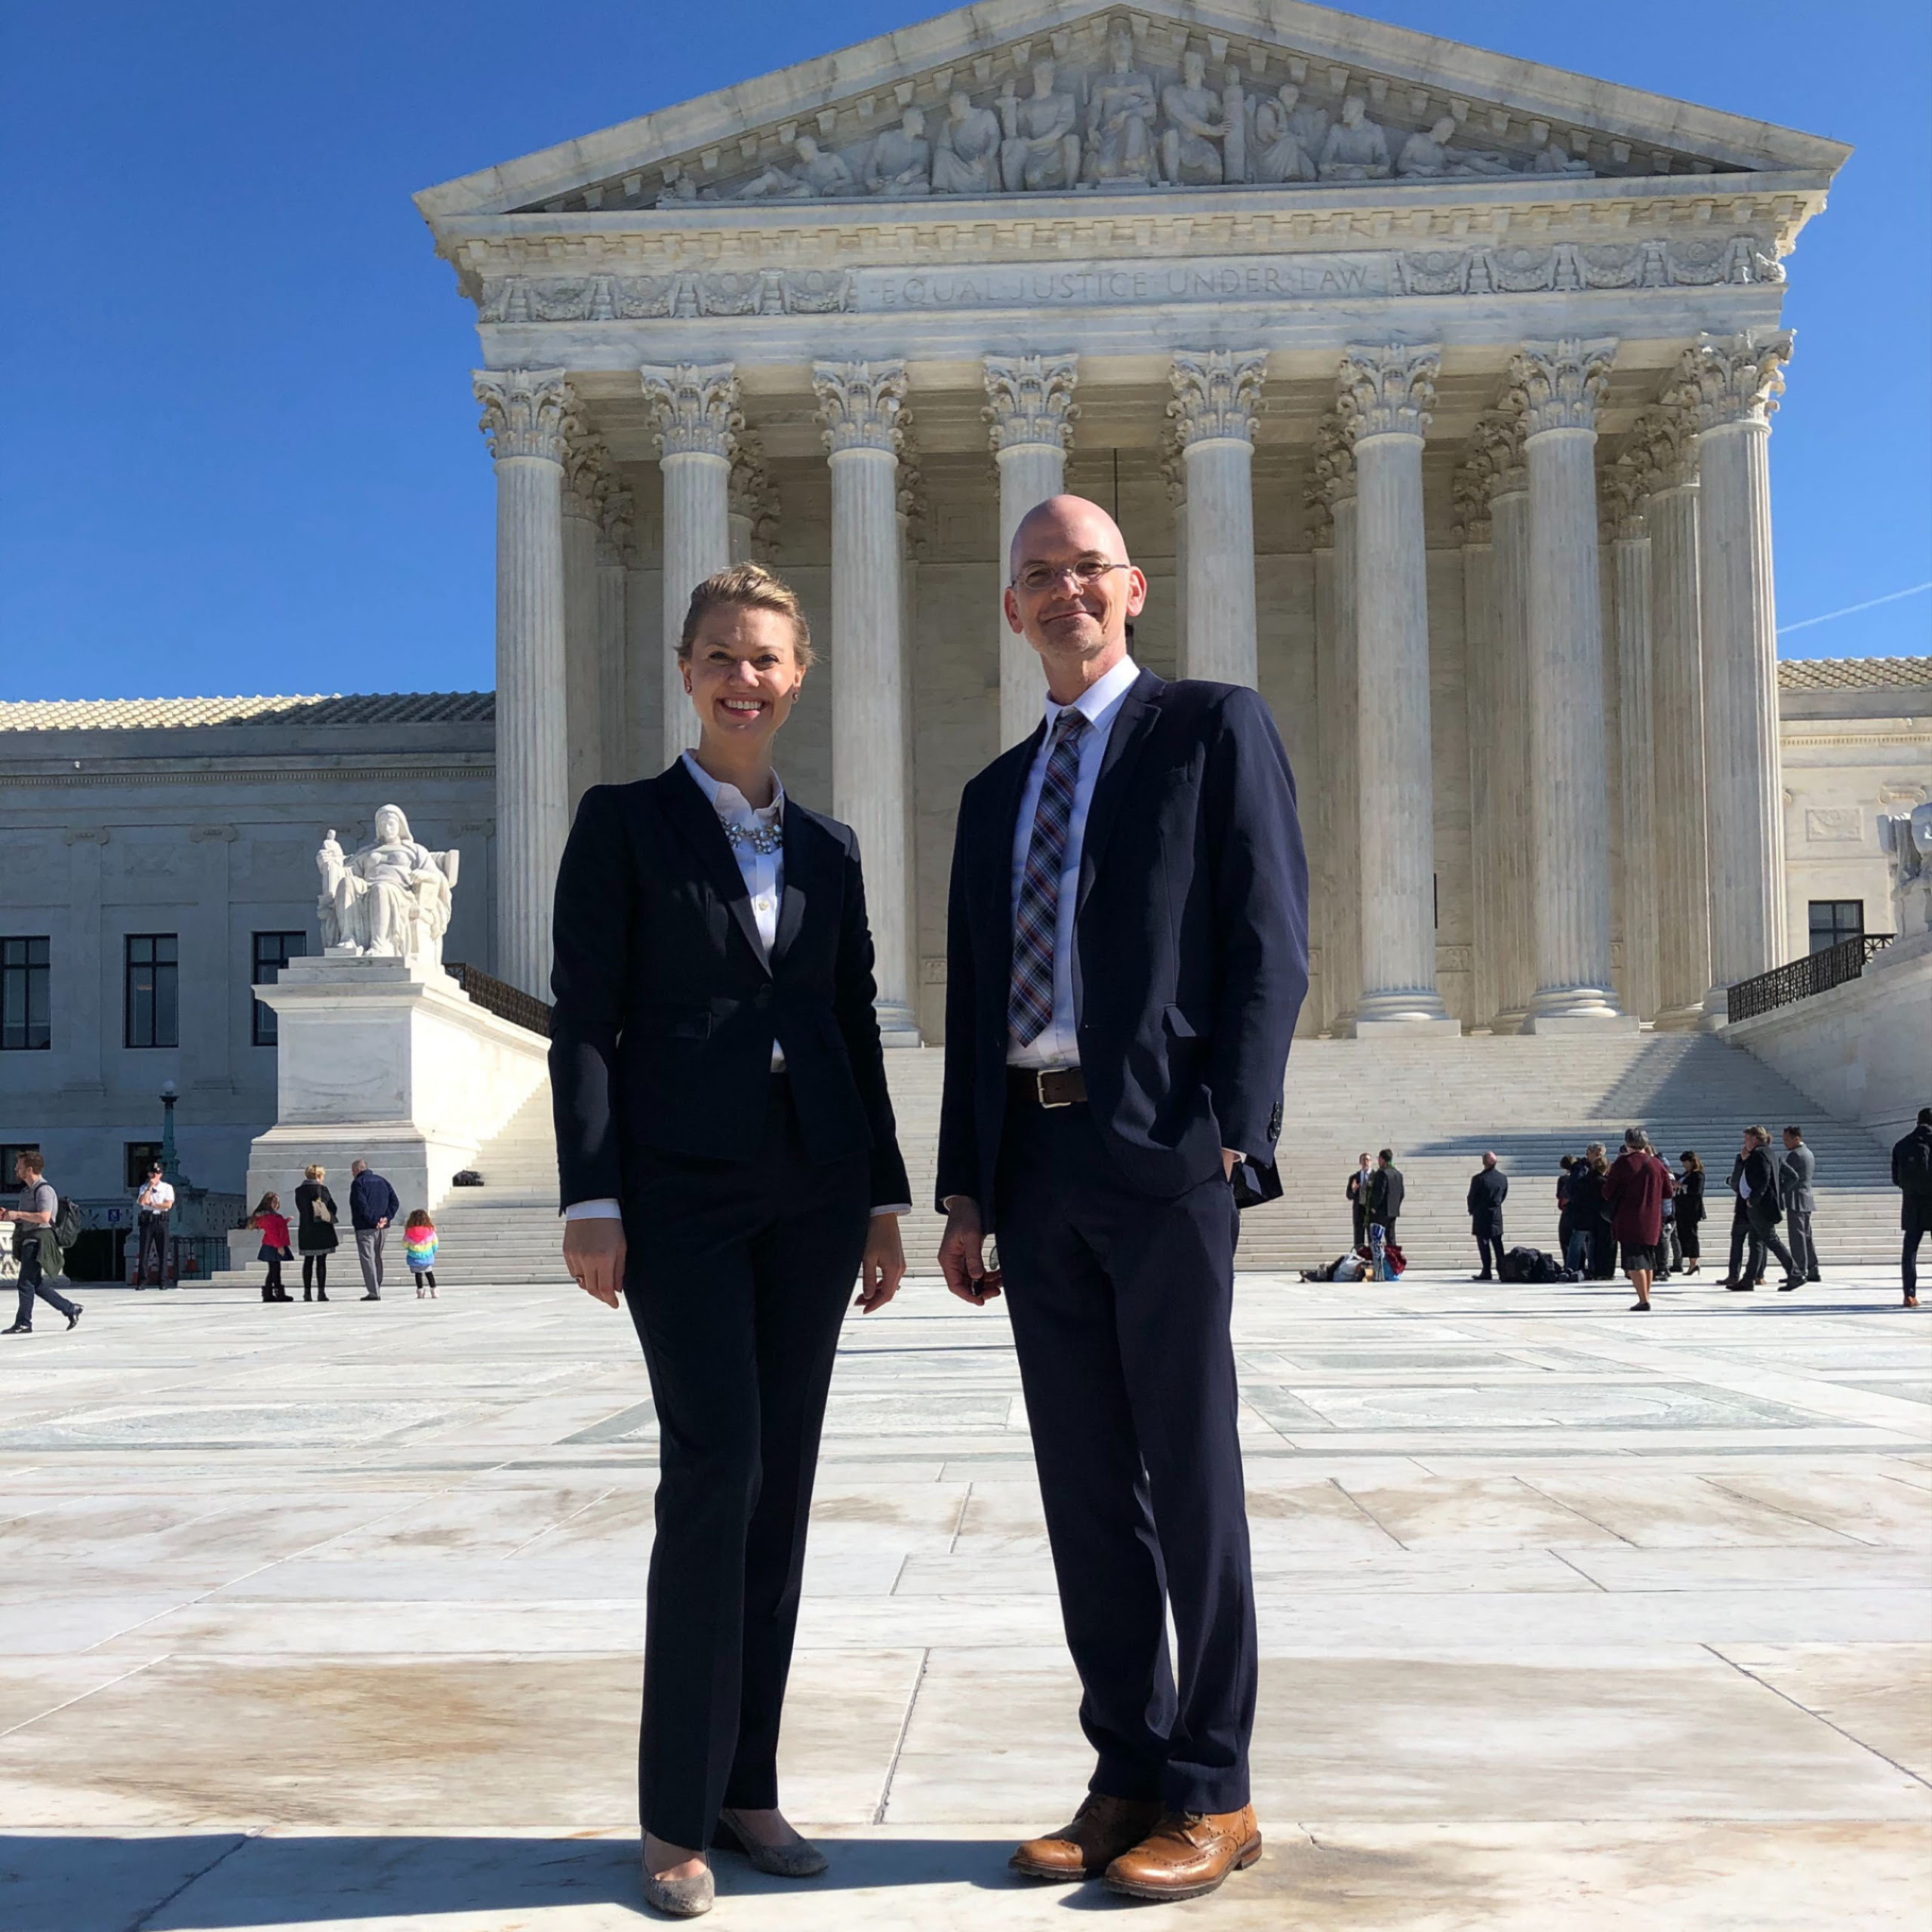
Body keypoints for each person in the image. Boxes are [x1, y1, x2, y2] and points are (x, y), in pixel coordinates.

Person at [936, 495, 1306, 1904]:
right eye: (1039, 575)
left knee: (1190, 1475)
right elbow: (978, 1000)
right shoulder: (993, 794)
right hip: (1035, 1165)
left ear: (1133, 588)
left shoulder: (1214, 729)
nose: (1066, 592)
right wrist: (965, 1188)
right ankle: (1126, 1771)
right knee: (1086, 1488)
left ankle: (1217, 1789)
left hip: (1162, 1153)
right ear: (1015, 606)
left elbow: (1269, 936)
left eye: (1088, 569)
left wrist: (1236, 1133)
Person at [552, 561, 910, 1918]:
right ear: (687, 673)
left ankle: (748, 1785)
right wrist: (593, 1194)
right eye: (719, 656)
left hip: (812, 1189)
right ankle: (671, 1817)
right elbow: (587, 1015)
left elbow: (852, 1020)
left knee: (784, 1485)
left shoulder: (828, 848)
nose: (742, 677)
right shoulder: (626, 823)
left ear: (798, 673)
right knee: (716, 1470)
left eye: (764, 657)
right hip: (681, 1189)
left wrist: (881, 1192)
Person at [2, 1150, 82, 1336]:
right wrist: (11, 1216)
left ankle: (24, 1322)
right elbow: (28, 1218)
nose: (15, 1169)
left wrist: (18, 1214)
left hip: (40, 1239)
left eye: (19, 1167)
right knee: (35, 1283)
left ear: (30, 1169)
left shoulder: (44, 1189)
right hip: (29, 1237)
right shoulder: (26, 1191)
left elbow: (45, 1217)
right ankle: (70, 1308)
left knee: (25, 1282)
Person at [1603, 1128, 1674, 1312]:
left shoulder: (1623, 1163)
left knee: (1634, 1262)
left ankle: (1643, 1300)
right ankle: (1646, 1296)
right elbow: (1668, 1192)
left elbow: (1607, 1192)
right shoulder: (1657, 1164)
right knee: (1648, 1261)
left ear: (1627, 1143)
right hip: (1653, 1219)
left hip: (1630, 1219)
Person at [1722, 1126, 1800, 1293]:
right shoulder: (1768, 1153)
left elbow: (1763, 1179)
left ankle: (1795, 1273)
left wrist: (1754, 1199)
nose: (1744, 1142)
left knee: (1771, 1240)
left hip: (1759, 1206)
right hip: (1762, 1205)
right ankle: (1748, 1279)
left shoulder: (1759, 1154)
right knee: (1756, 1242)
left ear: (1755, 1139)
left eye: (1746, 1139)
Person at [1893, 1105, 1932, 1309]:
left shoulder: (1902, 1144)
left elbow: (1895, 1178)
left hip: (1912, 1205)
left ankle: (1909, 1294)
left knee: (1910, 1251)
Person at [349, 1158, 398, 1301]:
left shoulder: (358, 1183)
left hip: (366, 1227)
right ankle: (377, 1286)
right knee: (377, 1257)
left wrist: (374, 1221)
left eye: (353, 1171)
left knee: (368, 1259)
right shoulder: (383, 1181)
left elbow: (361, 1205)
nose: (352, 1174)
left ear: (358, 1170)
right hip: (383, 1227)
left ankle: (374, 1292)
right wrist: (386, 1218)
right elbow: (395, 1201)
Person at [1780, 1126, 1820, 1283]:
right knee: (1806, 1236)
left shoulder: (1795, 1156)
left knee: (1797, 1237)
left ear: (1796, 1138)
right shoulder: (1808, 1153)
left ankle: (1799, 1270)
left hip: (1796, 1199)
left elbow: (1789, 1177)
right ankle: (1812, 1268)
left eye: (1787, 1140)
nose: (1785, 1143)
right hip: (1806, 1198)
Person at [294, 1164, 338, 1301]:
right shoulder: (322, 1190)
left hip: (306, 1230)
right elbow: (333, 1207)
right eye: (322, 1175)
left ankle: (307, 1293)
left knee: (308, 1261)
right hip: (321, 1230)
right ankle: (321, 1293)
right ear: (318, 1176)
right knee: (321, 1262)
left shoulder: (299, 1191)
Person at [1466, 1152, 1507, 1280]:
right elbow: (1504, 1195)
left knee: (1484, 1246)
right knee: (1498, 1245)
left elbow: (1472, 1197)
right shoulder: (1502, 1178)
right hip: (1496, 1216)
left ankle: (1487, 1271)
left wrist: (1472, 1210)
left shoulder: (1478, 1179)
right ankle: (1502, 1271)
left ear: (1484, 1162)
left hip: (1481, 1216)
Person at [134, 1161, 175, 1289]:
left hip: (161, 1220)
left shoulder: (167, 1188)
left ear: (161, 1174)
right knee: (144, 1251)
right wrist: (149, 1188)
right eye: (152, 1173)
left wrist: (153, 1204)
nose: (154, 1176)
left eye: (157, 1173)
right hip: (147, 1220)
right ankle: (142, 1281)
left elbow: (168, 1205)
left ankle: (163, 1281)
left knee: (162, 1251)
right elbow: (142, 1201)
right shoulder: (144, 1187)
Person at [1564, 1151, 1604, 1276]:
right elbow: (1573, 1189)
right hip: (1582, 1210)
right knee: (1578, 1238)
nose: (1600, 1157)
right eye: (1598, 1154)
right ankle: (1572, 1266)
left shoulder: (1587, 1168)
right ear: (1590, 1153)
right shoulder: (1582, 1169)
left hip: (1588, 1211)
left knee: (1590, 1240)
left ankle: (1591, 1267)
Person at [250, 1192, 294, 1303]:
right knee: (275, 1270)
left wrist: (285, 1221)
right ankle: (278, 1294)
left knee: (273, 1270)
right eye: (274, 1202)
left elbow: (276, 1226)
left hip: (273, 1245)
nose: (276, 1204)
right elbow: (272, 1232)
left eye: (277, 1202)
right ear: (268, 1203)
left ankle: (269, 1294)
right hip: (272, 1246)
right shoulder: (267, 1216)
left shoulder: (271, 1215)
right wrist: (279, 1246)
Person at [1675, 1151, 1706, 1275]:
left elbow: (1696, 1192)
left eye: (1685, 1163)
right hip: (1682, 1210)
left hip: (1691, 1210)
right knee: (1684, 1236)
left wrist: (1681, 1186)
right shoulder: (1687, 1174)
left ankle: (1694, 1263)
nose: (1684, 1165)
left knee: (1691, 1236)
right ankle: (1691, 1263)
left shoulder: (1698, 1175)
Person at [1367, 1149, 1404, 1251]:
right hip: (1393, 1212)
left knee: (1375, 1237)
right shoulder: (1398, 1174)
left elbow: (1380, 1192)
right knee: (1391, 1237)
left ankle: (1376, 1260)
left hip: (1381, 1212)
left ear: (1382, 1159)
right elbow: (1402, 1194)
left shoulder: (1382, 1173)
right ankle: (1394, 1260)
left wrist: (1374, 1207)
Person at [404, 1210, 438, 1299]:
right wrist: (432, 1251)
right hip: (426, 1256)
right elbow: (435, 1244)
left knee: (418, 1275)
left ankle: (420, 1291)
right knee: (429, 1274)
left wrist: (411, 1249)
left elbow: (405, 1244)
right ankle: (434, 1290)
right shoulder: (430, 1231)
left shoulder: (409, 1232)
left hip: (414, 1257)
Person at [1346, 1152, 1372, 1250]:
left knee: (1373, 1239)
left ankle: (1374, 1261)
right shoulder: (1354, 1178)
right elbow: (1349, 1195)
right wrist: (1353, 1190)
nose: (1366, 1162)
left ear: (1371, 1162)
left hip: (1371, 1212)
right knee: (1358, 1240)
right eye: (1363, 1160)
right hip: (1359, 1211)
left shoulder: (1376, 1177)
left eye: (1367, 1160)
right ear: (1360, 1162)